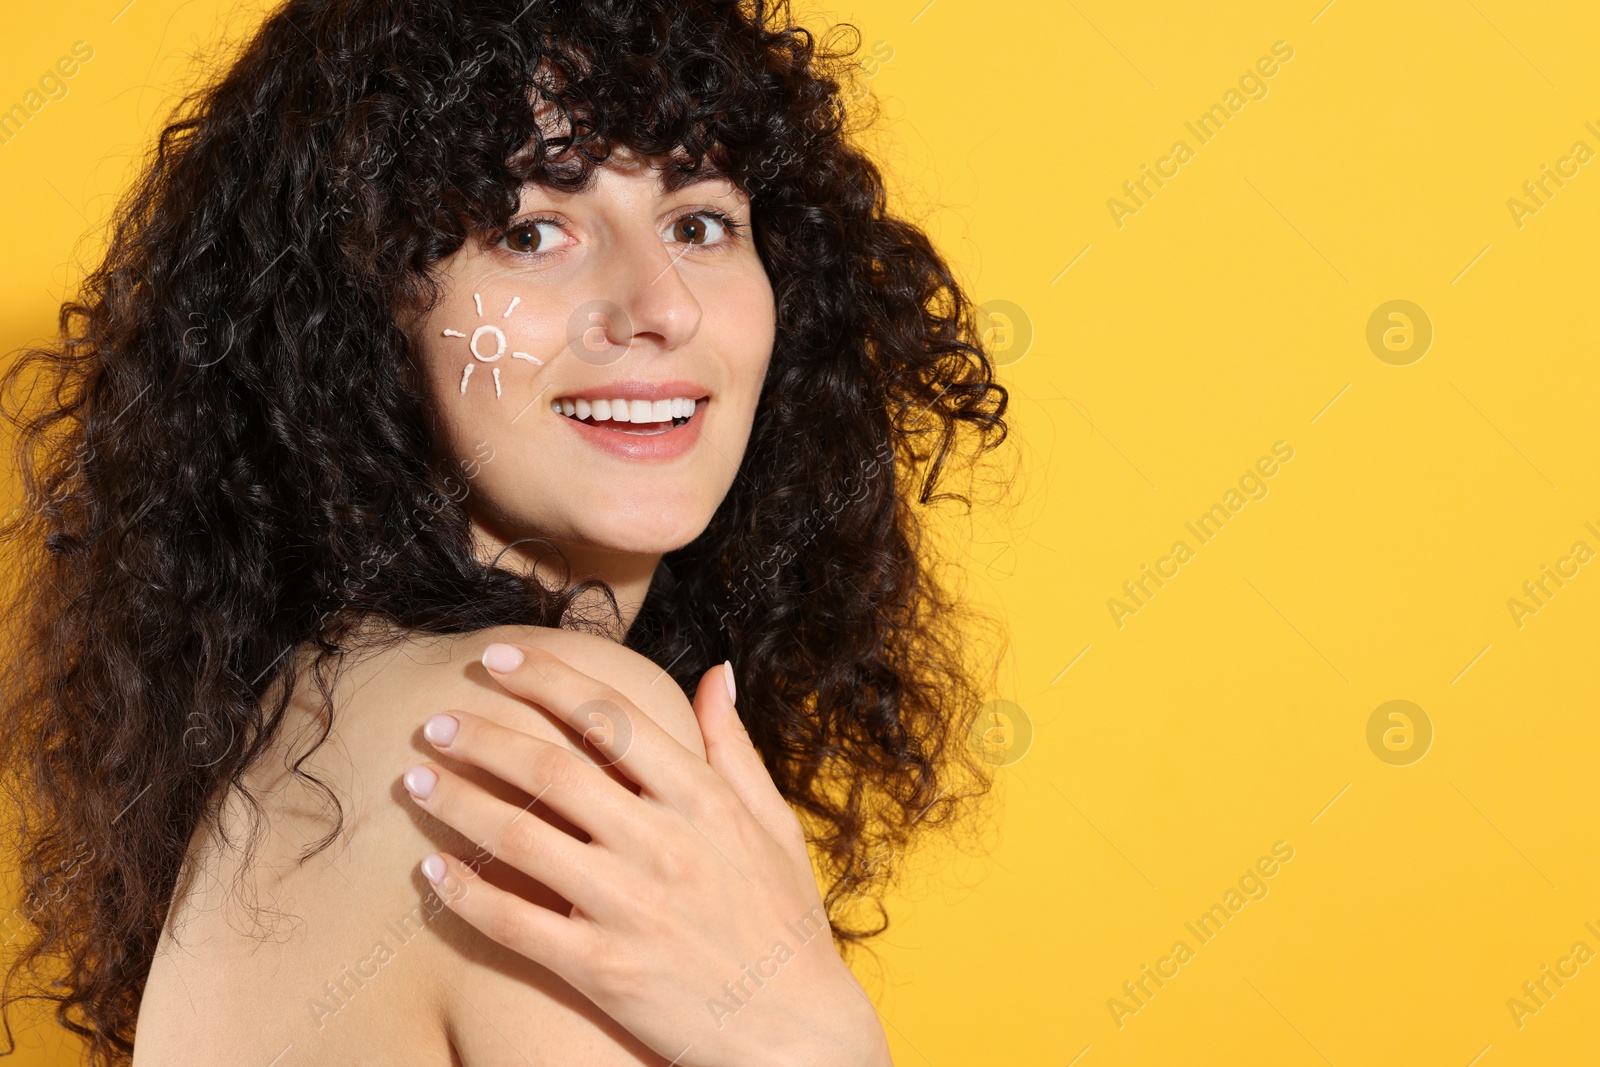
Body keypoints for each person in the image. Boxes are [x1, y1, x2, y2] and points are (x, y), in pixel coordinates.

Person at [0, 1, 1009, 1063]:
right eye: (532, 230)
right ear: (361, 316)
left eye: (700, 222)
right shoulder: (538, 726)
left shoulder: (330, 710)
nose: (657, 302)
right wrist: (823, 1042)